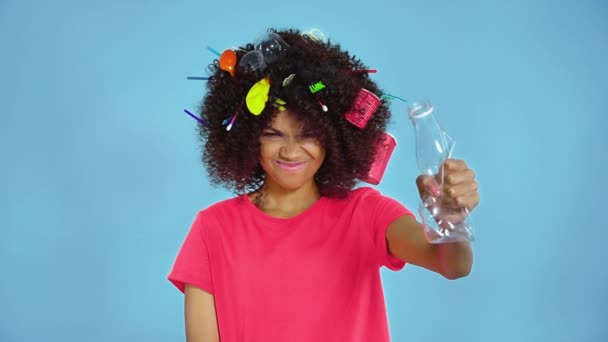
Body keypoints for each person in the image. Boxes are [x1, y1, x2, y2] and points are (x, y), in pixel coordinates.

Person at [168, 29, 480, 342]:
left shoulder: (366, 212)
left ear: (334, 138)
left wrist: (451, 223)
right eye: (273, 135)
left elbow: (453, 265)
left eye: (308, 135)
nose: (290, 151)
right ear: (248, 138)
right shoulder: (213, 228)